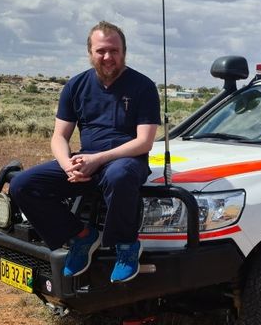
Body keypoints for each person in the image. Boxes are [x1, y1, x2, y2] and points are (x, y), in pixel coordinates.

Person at [9, 21, 161, 283]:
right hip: (85, 159)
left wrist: (97, 159)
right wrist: (68, 164)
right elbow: (59, 136)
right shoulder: (76, 86)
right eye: (101, 51)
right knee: (22, 184)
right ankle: (80, 236)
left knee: (119, 175)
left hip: (126, 161)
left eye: (114, 50)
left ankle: (126, 247)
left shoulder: (143, 86)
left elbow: (144, 142)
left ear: (124, 51)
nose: (108, 57)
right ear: (90, 52)